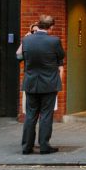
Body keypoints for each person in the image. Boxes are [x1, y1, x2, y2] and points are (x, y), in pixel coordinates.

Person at [20, 15, 64, 155]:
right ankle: (44, 146)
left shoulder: (26, 40)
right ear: (51, 27)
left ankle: (27, 147)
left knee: (30, 115)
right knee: (46, 115)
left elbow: (20, 57)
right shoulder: (54, 41)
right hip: (49, 83)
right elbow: (61, 57)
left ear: (38, 25)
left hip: (31, 82)